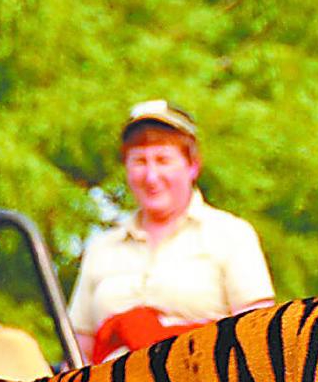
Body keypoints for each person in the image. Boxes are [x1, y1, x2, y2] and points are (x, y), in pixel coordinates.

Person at [67, 99, 275, 363]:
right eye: (139, 161)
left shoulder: (232, 235)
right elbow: (77, 352)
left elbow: (259, 342)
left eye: (163, 160)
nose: (151, 176)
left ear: (192, 166)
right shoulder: (102, 247)